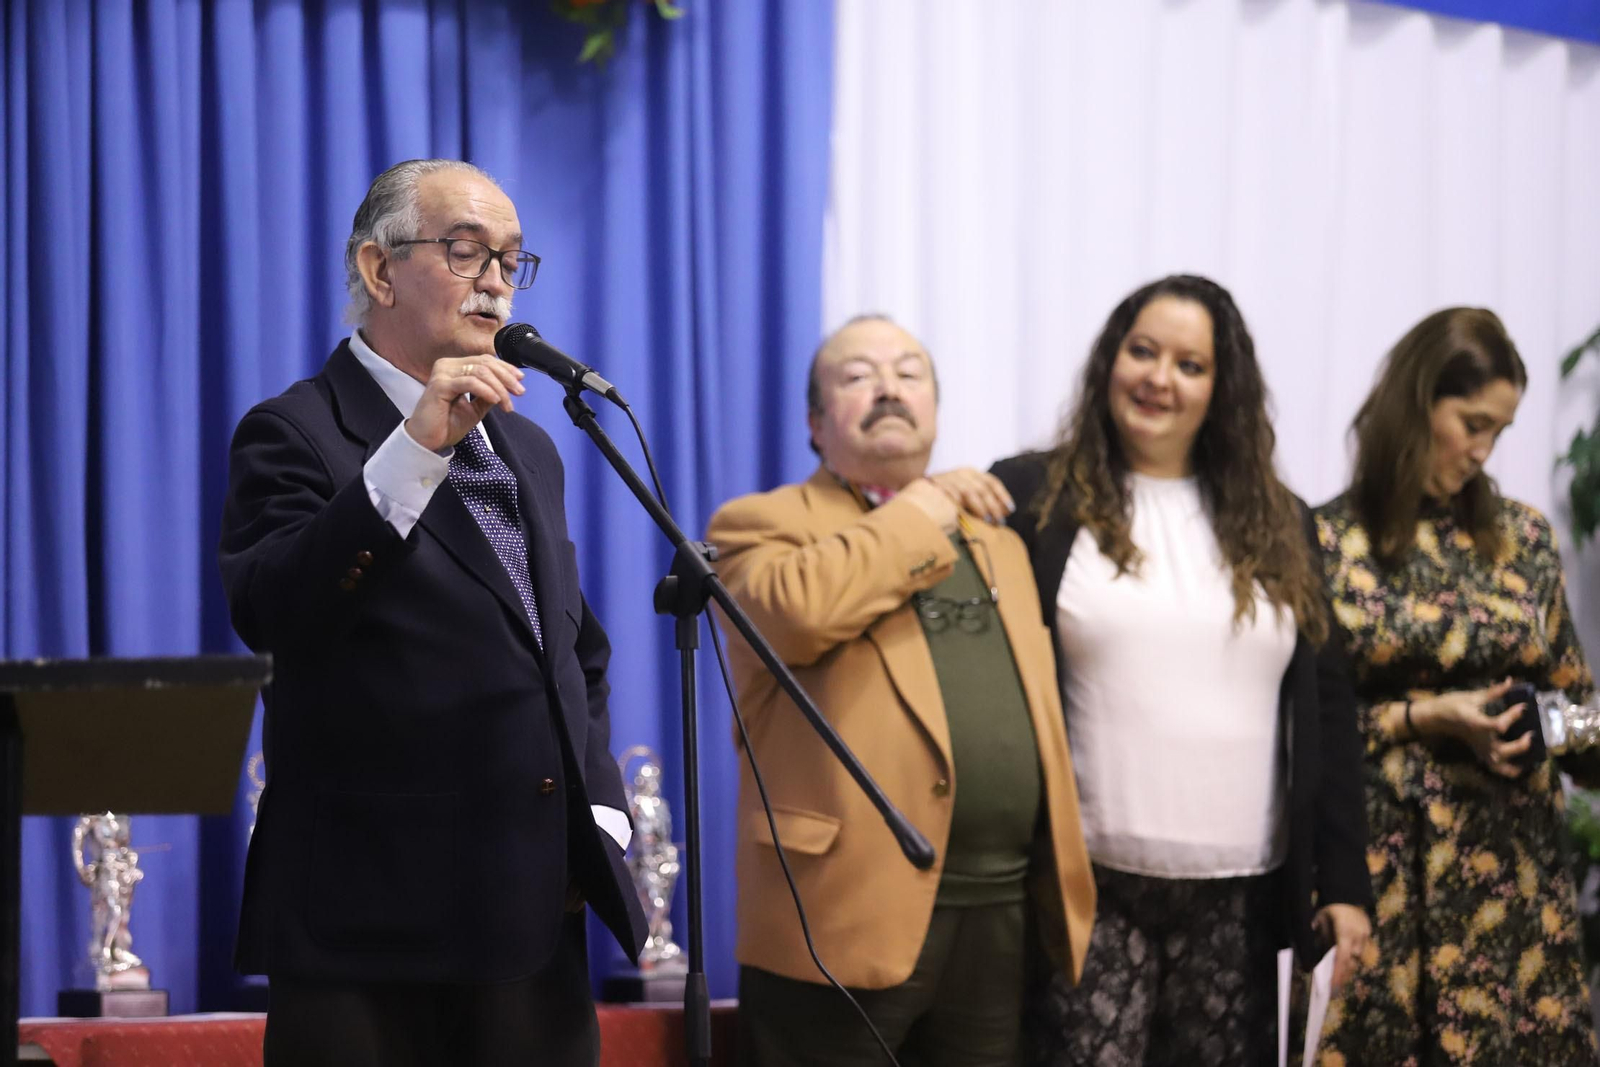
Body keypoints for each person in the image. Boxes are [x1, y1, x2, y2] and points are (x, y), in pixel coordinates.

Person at [218, 158, 646, 1067]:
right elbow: (272, 609)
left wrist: (597, 816)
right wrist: (414, 447)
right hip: (370, 934)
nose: (495, 281)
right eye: (466, 252)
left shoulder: (528, 445)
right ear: (378, 271)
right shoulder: (295, 430)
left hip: (532, 922)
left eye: (511, 260)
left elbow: (570, 652)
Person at [989, 274, 1373, 1066]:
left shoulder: (1283, 518)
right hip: (1086, 890)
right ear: (1109, 362)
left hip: (1245, 898)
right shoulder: (1035, 497)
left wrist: (1344, 881)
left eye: (1190, 364)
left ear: (1221, 388)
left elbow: (1328, 708)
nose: (1160, 378)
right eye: (1143, 352)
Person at [706, 314, 1096, 1067]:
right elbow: (798, 613)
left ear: (937, 412)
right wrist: (922, 506)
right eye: (857, 376)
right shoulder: (761, 524)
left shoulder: (1000, 543)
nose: (888, 387)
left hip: (1000, 913)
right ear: (817, 425)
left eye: (909, 373)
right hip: (839, 914)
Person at [1309, 307, 1598, 1065]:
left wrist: (1548, 723)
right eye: (1471, 422)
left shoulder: (1526, 541)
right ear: (1415, 405)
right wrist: (1422, 715)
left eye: (1499, 431)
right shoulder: (1325, 542)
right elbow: (1305, 737)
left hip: (1513, 902)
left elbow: (1590, 727)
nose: (1483, 449)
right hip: (1381, 891)